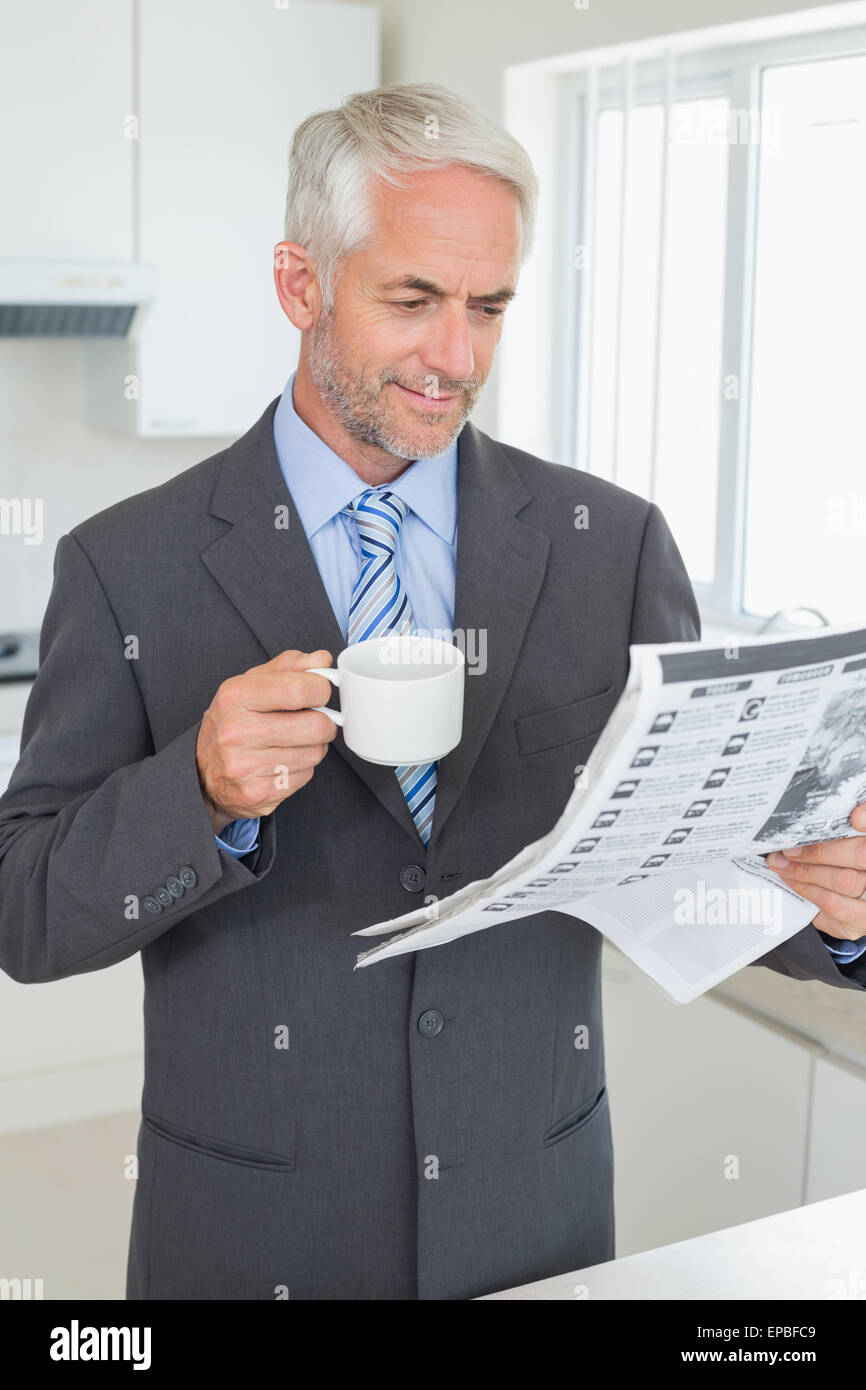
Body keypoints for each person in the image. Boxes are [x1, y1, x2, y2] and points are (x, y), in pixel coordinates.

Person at [1, 82, 864, 1302]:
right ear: (302, 285)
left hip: (534, 1216)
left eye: (488, 306)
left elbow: (700, 872)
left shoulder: (606, 545)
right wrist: (194, 790)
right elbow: (25, 911)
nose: (455, 357)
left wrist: (835, 917)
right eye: (410, 300)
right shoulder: (123, 564)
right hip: (252, 1237)